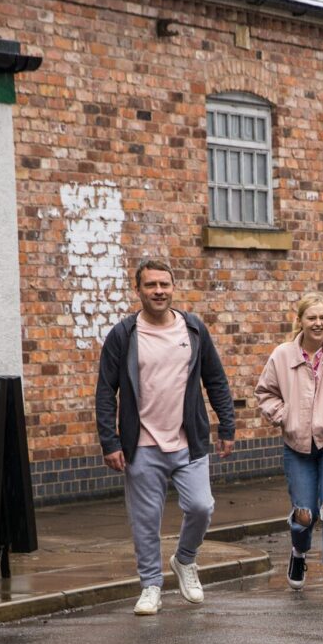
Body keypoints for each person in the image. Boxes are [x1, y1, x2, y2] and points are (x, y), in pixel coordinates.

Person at [95, 259, 235, 617]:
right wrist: (110, 442)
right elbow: (105, 391)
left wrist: (227, 427)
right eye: (151, 285)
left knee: (202, 507)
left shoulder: (193, 329)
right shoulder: (124, 335)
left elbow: (216, 380)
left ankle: (185, 560)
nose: (159, 291)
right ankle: (150, 585)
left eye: (164, 285)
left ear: (173, 288)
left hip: (189, 440)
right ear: (138, 290)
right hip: (141, 444)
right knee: (145, 520)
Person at [255, 294, 323, 596]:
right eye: (312, 318)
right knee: (304, 513)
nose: (318, 324)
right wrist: (285, 416)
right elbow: (265, 393)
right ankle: (299, 552)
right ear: (301, 321)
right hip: (296, 444)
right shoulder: (282, 356)